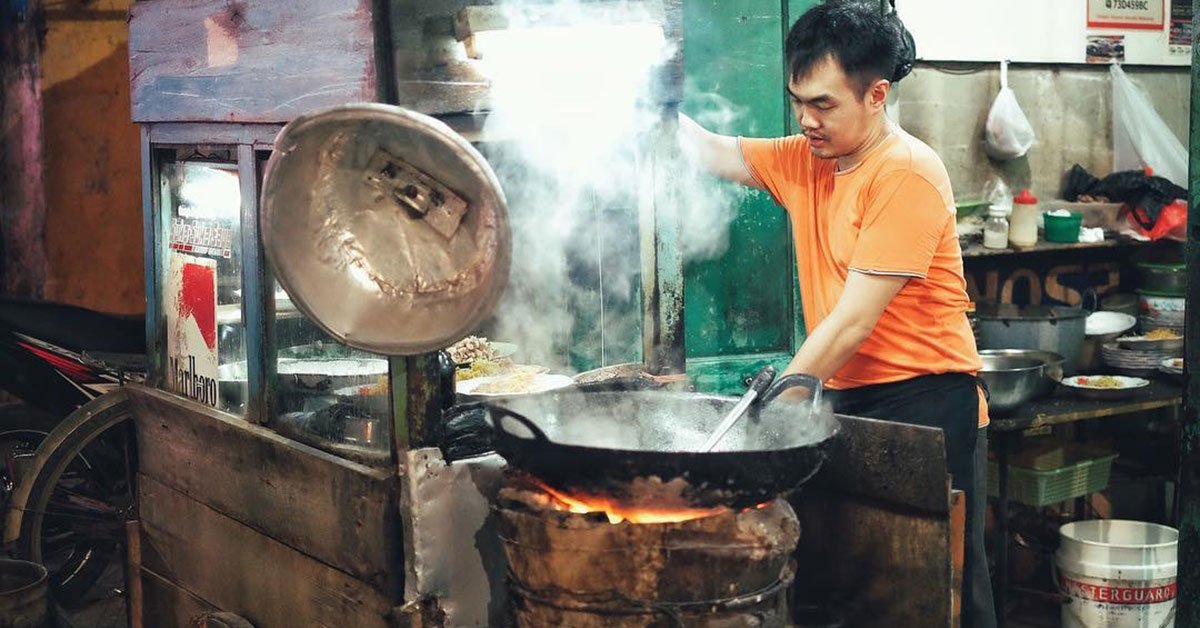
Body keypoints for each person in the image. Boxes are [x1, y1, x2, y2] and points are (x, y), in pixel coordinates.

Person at [678, 2, 996, 627]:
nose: (806, 120)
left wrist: (770, 416)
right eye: (798, 102)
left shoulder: (905, 173)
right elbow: (708, 152)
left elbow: (854, 321)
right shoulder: (806, 158)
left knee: (938, 593)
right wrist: (643, 103)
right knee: (854, 590)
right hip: (846, 400)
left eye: (823, 105)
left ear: (876, 94)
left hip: (926, 405)